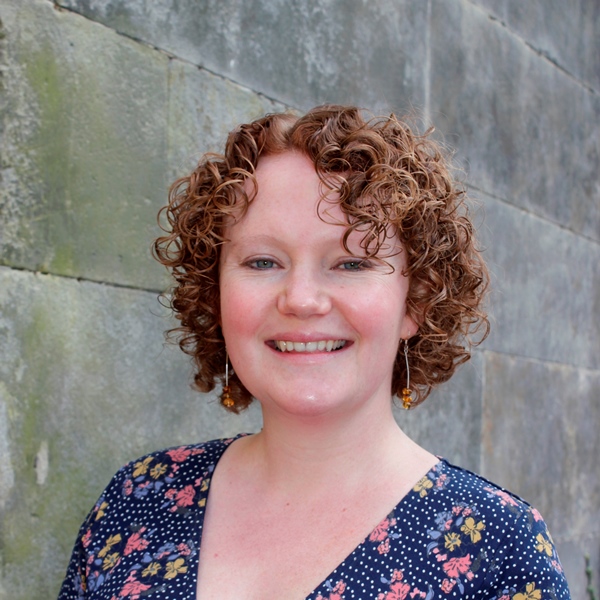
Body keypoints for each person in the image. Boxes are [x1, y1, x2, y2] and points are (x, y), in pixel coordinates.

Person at [58, 105, 570, 599]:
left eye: (351, 263)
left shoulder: (499, 550)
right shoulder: (135, 500)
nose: (301, 300)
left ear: (416, 300)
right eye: (262, 262)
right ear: (216, 296)